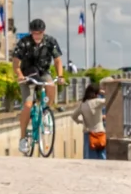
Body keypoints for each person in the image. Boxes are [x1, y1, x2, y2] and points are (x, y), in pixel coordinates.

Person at [11, 18, 64, 153]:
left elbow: (57, 60)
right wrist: (19, 75)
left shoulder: (50, 42)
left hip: (43, 71)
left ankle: (46, 112)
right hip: (27, 74)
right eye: (34, 33)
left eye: (39, 33)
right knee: (28, 105)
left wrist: (60, 76)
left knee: (51, 86)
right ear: (31, 32)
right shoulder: (24, 43)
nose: (37, 36)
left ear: (43, 32)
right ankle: (23, 138)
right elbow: (16, 63)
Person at [73, 83, 107, 159]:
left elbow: (73, 116)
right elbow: (108, 99)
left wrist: (81, 122)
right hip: (100, 133)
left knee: (89, 158)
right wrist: (103, 92)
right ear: (96, 93)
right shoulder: (97, 102)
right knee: (102, 157)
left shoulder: (82, 104)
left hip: (88, 134)